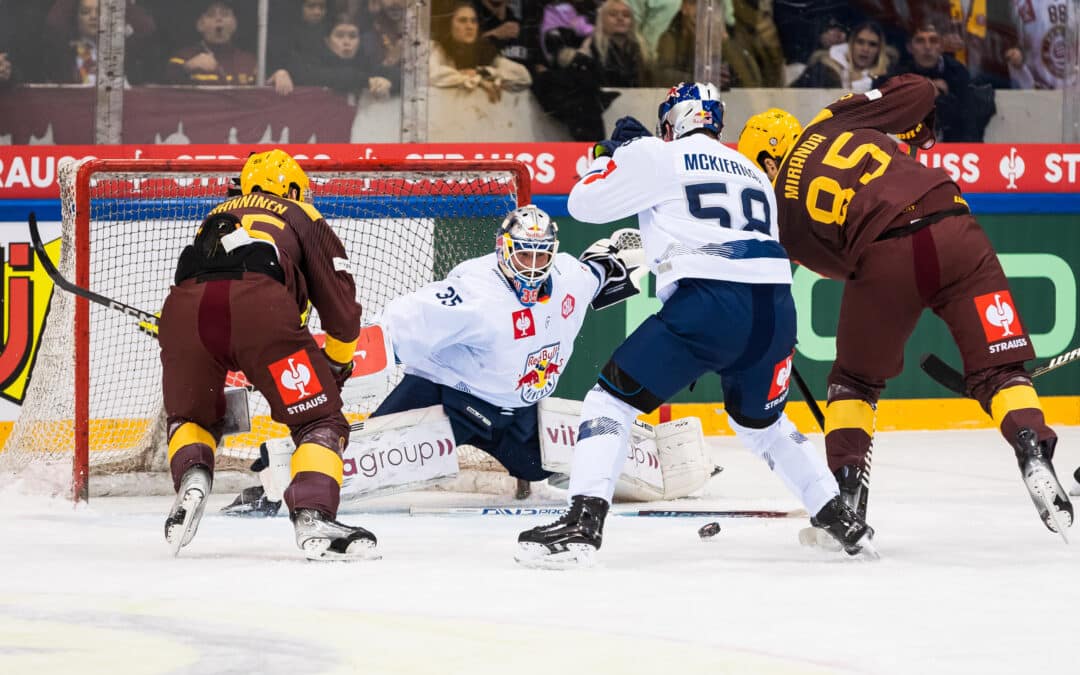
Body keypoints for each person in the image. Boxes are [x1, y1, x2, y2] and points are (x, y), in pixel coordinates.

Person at [515, 83, 876, 569]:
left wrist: (610, 155)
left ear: (672, 121)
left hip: (707, 304)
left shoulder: (656, 155)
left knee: (610, 400)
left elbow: (583, 203)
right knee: (763, 423)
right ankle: (838, 515)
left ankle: (583, 522)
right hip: (774, 310)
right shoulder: (751, 171)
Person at [735, 75, 1074, 540]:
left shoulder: (778, 215)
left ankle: (847, 491)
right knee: (1002, 371)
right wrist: (916, 131)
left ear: (769, 161)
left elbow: (817, 271)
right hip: (955, 223)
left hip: (884, 253)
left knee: (853, 383)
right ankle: (1031, 445)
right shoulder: (831, 119)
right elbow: (919, 90)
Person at [223, 204, 664, 516]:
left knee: (537, 466)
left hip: (519, 414)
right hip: (446, 398)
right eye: (523, 254)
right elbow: (390, 333)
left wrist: (634, 253)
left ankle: (646, 458)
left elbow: (603, 267)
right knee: (362, 461)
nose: (533, 266)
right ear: (503, 249)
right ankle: (276, 474)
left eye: (541, 255)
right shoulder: (472, 293)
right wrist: (312, 359)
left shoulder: (568, 276)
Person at [159, 149, 377, 561]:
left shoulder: (218, 212)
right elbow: (342, 313)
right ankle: (313, 514)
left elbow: (201, 281)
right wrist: (336, 364)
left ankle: (192, 475)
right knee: (320, 420)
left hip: (183, 311)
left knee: (191, 417)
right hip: (261, 312)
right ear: (292, 187)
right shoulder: (302, 214)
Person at [429, 0, 532, 102]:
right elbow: (431, 74)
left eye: (474, 21)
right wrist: (477, 80)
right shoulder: (436, 48)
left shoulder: (485, 51)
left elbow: (523, 76)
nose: (470, 27)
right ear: (450, 25)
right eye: (462, 20)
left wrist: (483, 73)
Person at [164, 0, 257, 85]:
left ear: (234, 24)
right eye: (211, 15)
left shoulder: (248, 61)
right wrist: (187, 68)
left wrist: (270, 83)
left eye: (225, 14)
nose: (219, 19)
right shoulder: (183, 57)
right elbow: (165, 86)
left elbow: (260, 97)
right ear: (200, 25)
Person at [790, 20, 893, 92]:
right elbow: (792, 95)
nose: (865, 49)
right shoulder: (823, 70)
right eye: (860, 42)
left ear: (879, 50)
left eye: (872, 44)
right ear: (851, 44)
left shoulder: (887, 81)